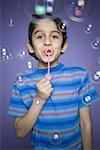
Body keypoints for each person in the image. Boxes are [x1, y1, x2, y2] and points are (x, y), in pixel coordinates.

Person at [8, 13, 99, 150]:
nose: (47, 42)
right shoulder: (21, 84)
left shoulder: (79, 76)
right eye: (39, 36)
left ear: (64, 46)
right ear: (30, 47)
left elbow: (86, 124)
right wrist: (39, 99)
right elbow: (20, 132)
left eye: (54, 36)